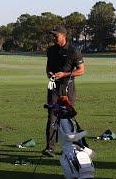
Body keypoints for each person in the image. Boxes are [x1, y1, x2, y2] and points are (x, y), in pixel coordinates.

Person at [43, 25, 85, 157]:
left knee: (67, 118)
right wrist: (50, 74)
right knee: (52, 118)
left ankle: (72, 146)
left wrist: (65, 74)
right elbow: (48, 67)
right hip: (54, 87)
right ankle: (49, 148)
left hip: (68, 88)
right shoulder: (51, 50)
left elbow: (81, 70)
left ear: (63, 35)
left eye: (56, 35)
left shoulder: (74, 51)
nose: (54, 37)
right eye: (53, 35)